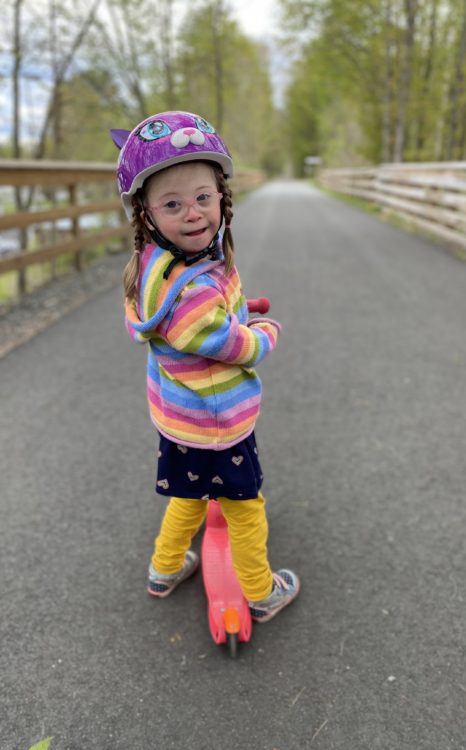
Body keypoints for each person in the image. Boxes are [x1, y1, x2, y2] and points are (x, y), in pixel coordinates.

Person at [111, 111, 300, 623]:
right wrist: (264, 332)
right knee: (245, 508)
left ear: (221, 197)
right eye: (173, 204)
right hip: (218, 425)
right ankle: (261, 591)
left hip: (182, 418)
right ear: (147, 214)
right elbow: (232, 344)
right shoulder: (191, 292)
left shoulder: (163, 267)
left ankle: (165, 567)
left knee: (189, 497)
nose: (193, 213)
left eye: (202, 197)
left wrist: (240, 307)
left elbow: (210, 317)